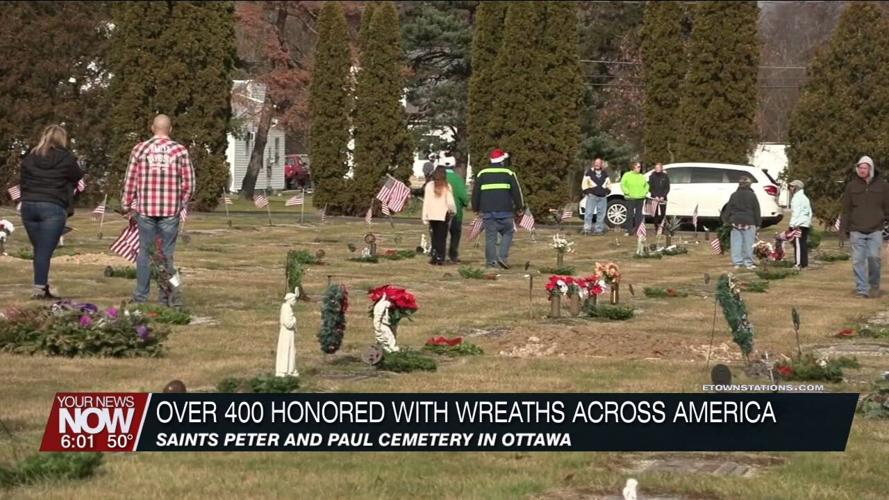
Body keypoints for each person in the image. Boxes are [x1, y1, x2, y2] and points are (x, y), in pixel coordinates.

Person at [121, 114, 194, 306]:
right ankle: (166, 297)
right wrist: (181, 203)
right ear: (170, 129)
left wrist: (126, 204)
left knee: (145, 253)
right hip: (170, 210)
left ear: (153, 128)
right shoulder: (180, 151)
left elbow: (130, 180)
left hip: (145, 209)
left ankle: (140, 297)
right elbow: (189, 184)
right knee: (166, 255)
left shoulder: (140, 149)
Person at [18, 124, 84, 299]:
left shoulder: (31, 156)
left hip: (29, 206)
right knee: (43, 251)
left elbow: (22, 179)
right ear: (62, 139)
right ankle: (39, 291)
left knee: (39, 249)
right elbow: (78, 176)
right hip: (53, 207)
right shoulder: (67, 158)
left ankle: (42, 287)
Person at [841, 155, 889, 298]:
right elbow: (846, 209)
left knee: (874, 258)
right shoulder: (851, 186)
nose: (862, 170)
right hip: (856, 230)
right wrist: (843, 229)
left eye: (865, 168)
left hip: (876, 230)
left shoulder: (883, 186)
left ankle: (873, 285)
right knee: (857, 260)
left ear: (871, 168)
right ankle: (862, 289)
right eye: (860, 168)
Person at [472, 148, 525, 269]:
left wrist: (475, 208)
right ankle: (502, 256)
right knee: (508, 233)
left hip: (488, 212)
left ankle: (491, 262)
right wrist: (519, 208)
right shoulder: (509, 173)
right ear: (502, 161)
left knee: (490, 237)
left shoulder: (482, 174)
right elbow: (517, 192)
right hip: (505, 211)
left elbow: (476, 193)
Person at [722, 176, 761, 270]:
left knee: (736, 243)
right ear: (748, 185)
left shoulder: (734, 195)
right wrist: (758, 223)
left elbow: (728, 209)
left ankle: (737, 263)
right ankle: (748, 263)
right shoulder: (752, 195)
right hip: (749, 221)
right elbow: (756, 210)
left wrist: (726, 221)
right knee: (748, 243)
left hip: (735, 221)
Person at [421, 165, 456, 265]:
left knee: (434, 237)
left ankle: (434, 255)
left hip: (432, 214)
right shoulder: (446, 186)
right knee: (442, 237)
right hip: (443, 214)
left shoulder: (429, 186)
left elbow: (426, 202)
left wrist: (425, 216)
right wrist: (453, 211)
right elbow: (450, 202)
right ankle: (440, 256)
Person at [445, 160, 469, 263]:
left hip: (439, 212)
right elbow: (463, 196)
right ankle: (453, 254)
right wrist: (465, 203)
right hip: (455, 212)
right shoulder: (458, 179)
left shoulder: (437, 178)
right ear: (453, 166)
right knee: (455, 234)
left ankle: (439, 253)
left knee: (440, 234)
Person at [581, 158, 611, 235]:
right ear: (594, 163)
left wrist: (607, 191)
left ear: (601, 164)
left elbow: (608, 184)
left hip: (602, 197)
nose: (597, 164)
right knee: (589, 213)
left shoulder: (605, 173)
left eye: (599, 163)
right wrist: (588, 192)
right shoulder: (589, 172)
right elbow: (584, 183)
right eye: (596, 163)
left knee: (601, 214)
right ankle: (587, 229)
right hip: (592, 196)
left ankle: (599, 230)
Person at [787, 179, 812, 270]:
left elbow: (796, 212)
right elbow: (810, 212)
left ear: (797, 188)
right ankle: (804, 263)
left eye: (792, 186)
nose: (790, 188)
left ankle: (798, 264)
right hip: (804, 224)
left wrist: (793, 224)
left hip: (798, 224)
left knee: (798, 245)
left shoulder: (797, 198)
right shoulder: (805, 197)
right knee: (802, 244)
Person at [620, 161, 649, 236]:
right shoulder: (627, 175)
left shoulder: (641, 176)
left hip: (640, 198)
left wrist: (645, 192)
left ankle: (638, 230)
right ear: (633, 167)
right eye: (638, 167)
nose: (640, 168)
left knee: (638, 215)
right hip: (630, 198)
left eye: (640, 167)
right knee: (630, 214)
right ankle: (628, 230)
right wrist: (627, 192)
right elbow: (623, 184)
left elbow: (646, 185)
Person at [648, 162, 670, 228]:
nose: (657, 169)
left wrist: (663, 196)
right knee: (655, 214)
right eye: (656, 168)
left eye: (658, 167)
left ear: (661, 168)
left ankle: (663, 227)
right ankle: (656, 227)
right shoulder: (651, 176)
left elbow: (667, 187)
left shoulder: (665, 176)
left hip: (663, 198)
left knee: (663, 214)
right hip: (654, 198)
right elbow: (650, 188)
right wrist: (655, 196)